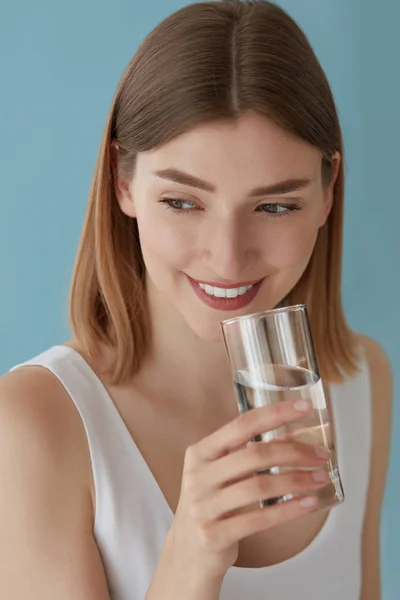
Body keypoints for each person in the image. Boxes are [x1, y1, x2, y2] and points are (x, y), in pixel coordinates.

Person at [0, 1, 392, 598]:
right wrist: (188, 563)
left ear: (327, 191)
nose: (228, 258)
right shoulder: (34, 426)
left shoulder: (362, 380)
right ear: (122, 182)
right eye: (184, 202)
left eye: (275, 205)